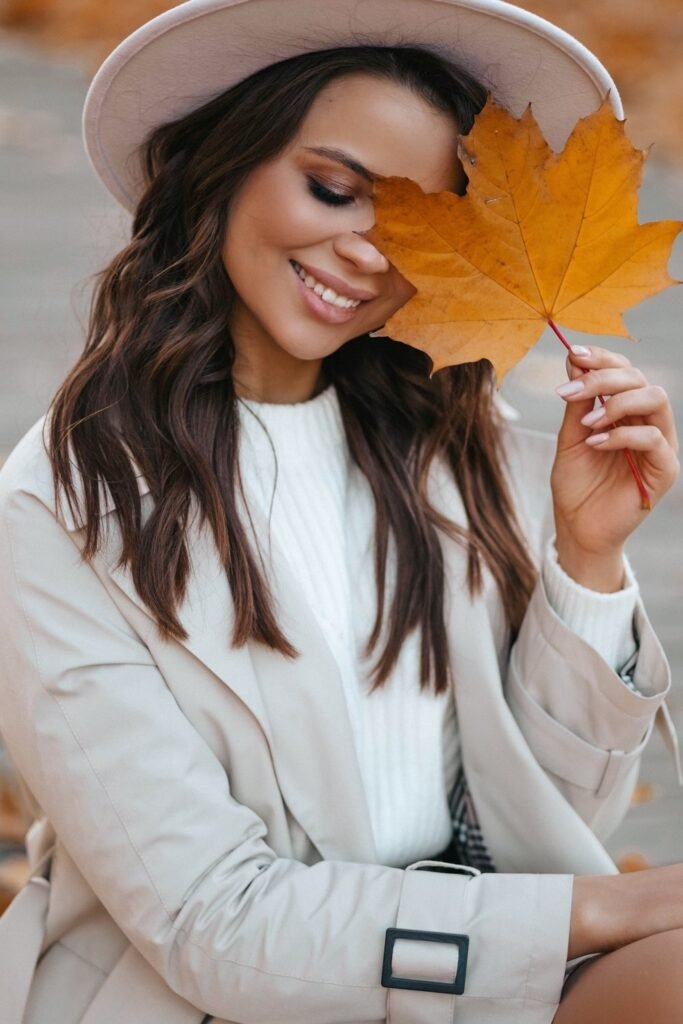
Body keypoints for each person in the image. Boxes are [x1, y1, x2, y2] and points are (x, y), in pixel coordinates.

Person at [0, 0, 681, 1021]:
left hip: (468, 979)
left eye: (418, 218)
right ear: (222, 165)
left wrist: (583, 563)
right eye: (332, 190)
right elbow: (210, 925)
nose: (370, 248)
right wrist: (609, 909)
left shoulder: (456, 451)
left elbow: (532, 829)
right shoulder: (63, 506)